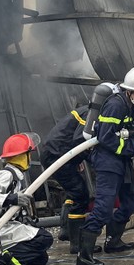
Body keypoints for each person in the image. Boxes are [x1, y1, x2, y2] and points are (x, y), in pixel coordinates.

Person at [77, 66, 134, 265]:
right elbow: (105, 138)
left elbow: (132, 127)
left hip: (122, 161)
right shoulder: (115, 105)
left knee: (130, 201)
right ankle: (84, 255)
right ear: (128, 91)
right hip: (107, 162)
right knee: (103, 208)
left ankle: (113, 241)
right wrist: (133, 145)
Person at [0, 133, 53, 265]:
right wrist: (13, 198)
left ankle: (9, 262)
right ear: (23, 156)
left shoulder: (16, 177)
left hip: (3, 228)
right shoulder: (5, 174)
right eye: (28, 154)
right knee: (44, 238)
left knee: (41, 259)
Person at [39, 103, 93, 254]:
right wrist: (92, 158)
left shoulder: (86, 111)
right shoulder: (90, 115)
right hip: (57, 155)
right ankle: (77, 244)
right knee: (80, 196)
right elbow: (80, 140)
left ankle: (66, 231)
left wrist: (77, 159)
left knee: (73, 192)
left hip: (57, 153)